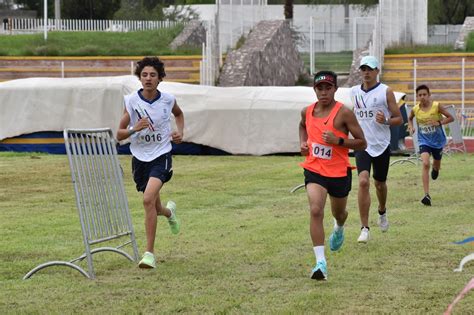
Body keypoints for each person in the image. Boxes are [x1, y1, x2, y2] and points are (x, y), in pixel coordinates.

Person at [116, 56, 184, 269]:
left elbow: (179, 114)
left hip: (161, 155)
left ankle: (149, 254)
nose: (148, 78)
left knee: (147, 200)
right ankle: (169, 213)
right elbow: (118, 134)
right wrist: (134, 129)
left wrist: (179, 132)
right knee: (154, 205)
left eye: (152, 75)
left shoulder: (168, 100)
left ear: (160, 78)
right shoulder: (131, 101)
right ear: (139, 78)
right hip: (140, 158)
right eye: (144, 75)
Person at [299, 70, 366, 280]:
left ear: (335, 89)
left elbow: (362, 142)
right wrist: (302, 142)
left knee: (339, 213)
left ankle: (339, 226)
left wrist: (338, 141)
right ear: (315, 90)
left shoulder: (343, 113)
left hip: (338, 172)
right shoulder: (307, 111)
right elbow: (302, 126)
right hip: (314, 169)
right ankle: (320, 263)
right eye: (320, 88)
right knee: (316, 209)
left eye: (328, 88)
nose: (324, 92)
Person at [351, 55, 403, 243]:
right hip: (362, 144)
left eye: (370, 69)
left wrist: (386, 120)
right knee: (363, 181)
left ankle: (382, 210)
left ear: (377, 71)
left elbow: (399, 119)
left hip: (381, 145)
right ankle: (364, 228)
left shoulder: (385, 91)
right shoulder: (354, 92)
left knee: (379, 184)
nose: (366, 72)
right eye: (363, 68)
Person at [408, 84, 453, 206]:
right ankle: (426, 195)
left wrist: (439, 122)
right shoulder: (415, 109)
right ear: (417, 96)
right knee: (425, 163)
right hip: (423, 141)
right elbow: (410, 118)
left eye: (424, 95)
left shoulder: (436, 106)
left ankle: (436, 168)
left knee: (436, 164)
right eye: (420, 95)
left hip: (438, 141)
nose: (422, 97)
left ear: (429, 95)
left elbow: (451, 118)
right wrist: (411, 127)